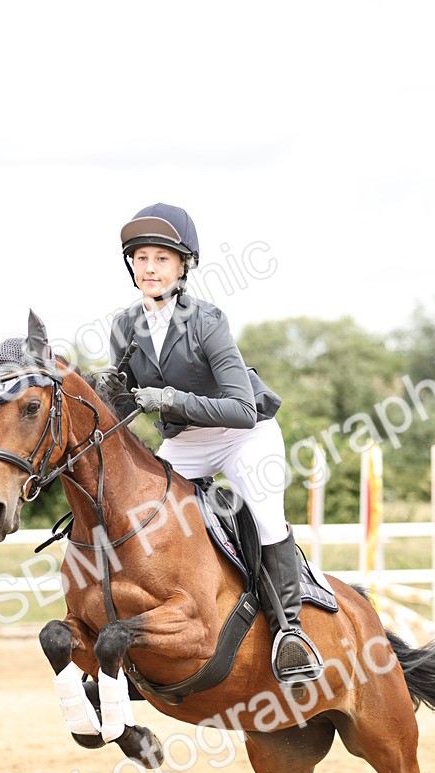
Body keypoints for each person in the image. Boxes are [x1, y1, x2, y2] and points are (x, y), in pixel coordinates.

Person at [104, 202, 323, 687]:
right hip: (186, 442)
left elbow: (241, 408)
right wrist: (104, 398)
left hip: (243, 435)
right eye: (141, 258)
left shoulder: (207, 320)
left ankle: (289, 632)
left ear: (183, 266)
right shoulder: (123, 326)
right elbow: (123, 406)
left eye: (161, 259)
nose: (149, 268)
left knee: (263, 513)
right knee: (140, 519)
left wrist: (170, 399)